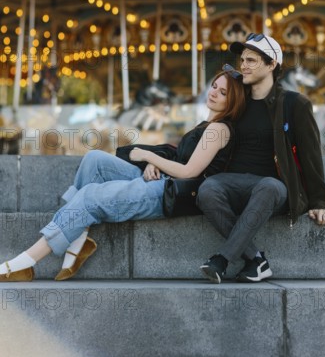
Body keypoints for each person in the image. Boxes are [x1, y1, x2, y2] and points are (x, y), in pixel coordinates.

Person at [0, 69, 246, 282]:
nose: (213, 92)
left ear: (233, 100)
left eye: (223, 92)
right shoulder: (207, 125)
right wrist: (157, 165)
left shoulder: (219, 129)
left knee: (90, 197)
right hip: (163, 179)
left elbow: (190, 171)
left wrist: (149, 157)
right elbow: (182, 160)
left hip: (172, 194)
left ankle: (26, 262)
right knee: (94, 160)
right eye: (214, 86)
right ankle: (79, 236)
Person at [198, 33, 325, 284]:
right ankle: (256, 261)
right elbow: (202, 133)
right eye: (243, 60)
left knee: (268, 186)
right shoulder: (238, 99)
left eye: (252, 60)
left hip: (274, 189)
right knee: (208, 188)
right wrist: (157, 158)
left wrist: (321, 202)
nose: (244, 65)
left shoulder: (294, 104)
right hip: (235, 184)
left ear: (272, 65)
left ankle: (222, 260)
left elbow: (310, 155)